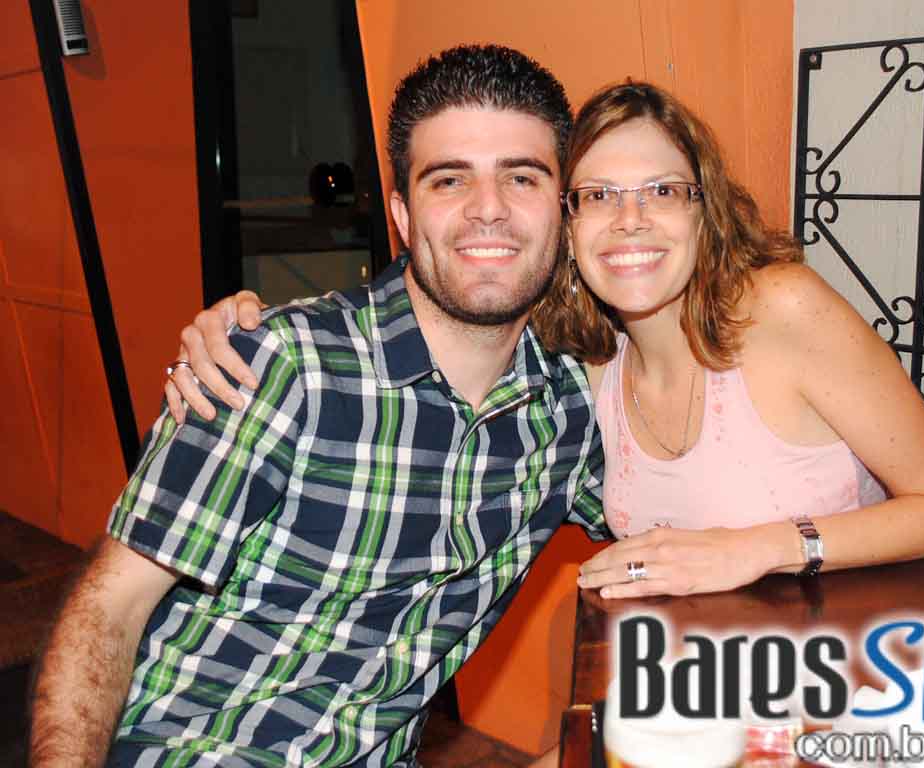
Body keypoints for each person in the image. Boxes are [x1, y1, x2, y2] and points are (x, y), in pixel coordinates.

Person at [30, 45, 609, 768]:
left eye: (520, 177)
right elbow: (110, 603)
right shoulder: (278, 365)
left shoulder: (566, 414)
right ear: (402, 215)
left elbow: (690, 515)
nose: (487, 209)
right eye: (449, 179)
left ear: (562, 210)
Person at [177, 82, 924, 604]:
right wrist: (247, 324)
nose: (631, 220)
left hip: (850, 671)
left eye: (662, 190)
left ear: (705, 209)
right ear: (566, 225)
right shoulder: (582, 374)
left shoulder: (781, 310)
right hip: (692, 689)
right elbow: (449, 313)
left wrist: (757, 549)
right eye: (598, 196)